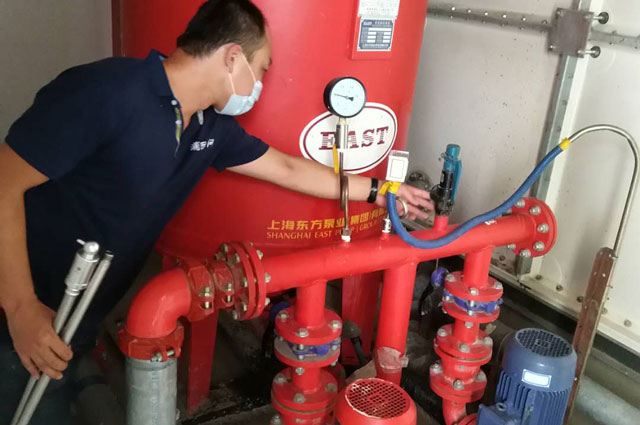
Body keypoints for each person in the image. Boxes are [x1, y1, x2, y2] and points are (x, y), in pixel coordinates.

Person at [0, 0, 432, 423]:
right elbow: (3, 185)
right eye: (262, 68)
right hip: (24, 298)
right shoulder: (104, 92)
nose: (260, 83)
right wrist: (20, 309)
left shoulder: (208, 127)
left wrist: (380, 191)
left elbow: (287, 168)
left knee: (53, 391)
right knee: (26, 404)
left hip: (83, 305)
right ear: (232, 57)